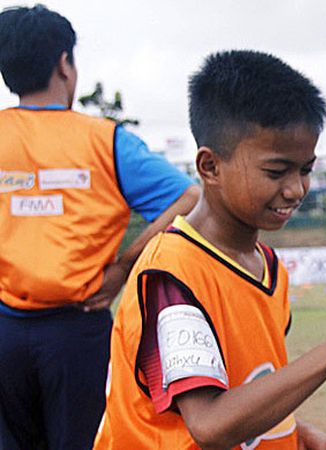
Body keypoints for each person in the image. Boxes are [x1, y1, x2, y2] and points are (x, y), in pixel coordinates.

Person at [95, 50, 326, 449]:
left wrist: (295, 433)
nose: (296, 189)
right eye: (276, 172)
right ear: (209, 167)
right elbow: (210, 424)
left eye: (306, 169)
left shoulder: (268, 267)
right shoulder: (173, 271)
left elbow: (248, 387)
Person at [0, 5, 199, 449]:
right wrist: (124, 267)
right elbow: (188, 198)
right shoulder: (105, 140)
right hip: (77, 330)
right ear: (65, 64)